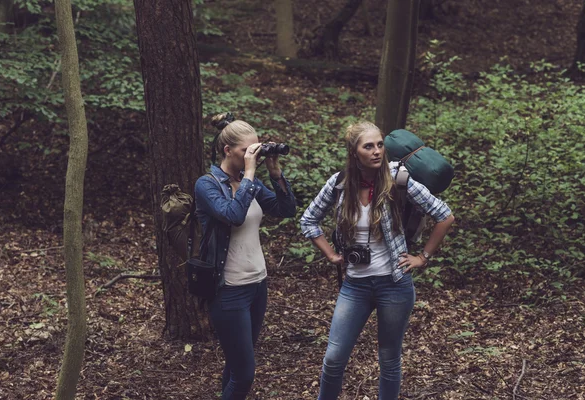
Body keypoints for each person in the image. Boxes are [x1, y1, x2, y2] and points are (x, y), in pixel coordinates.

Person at [300, 121, 455, 400]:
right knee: (334, 358)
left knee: (389, 360)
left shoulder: (399, 180)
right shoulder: (339, 184)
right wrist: (331, 254)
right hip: (355, 286)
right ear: (354, 152)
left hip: (394, 284)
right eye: (368, 146)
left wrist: (423, 257)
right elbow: (308, 220)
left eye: (380, 145)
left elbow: (444, 215)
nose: (376, 151)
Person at [194, 112, 296, 399]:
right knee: (245, 374)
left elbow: (286, 210)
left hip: (257, 285)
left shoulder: (250, 183)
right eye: (247, 151)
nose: (254, 156)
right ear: (228, 151)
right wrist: (250, 174)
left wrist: (275, 175)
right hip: (229, 290)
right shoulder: (207, 185)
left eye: (257, 149)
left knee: (236, 366)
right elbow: (234, 215)